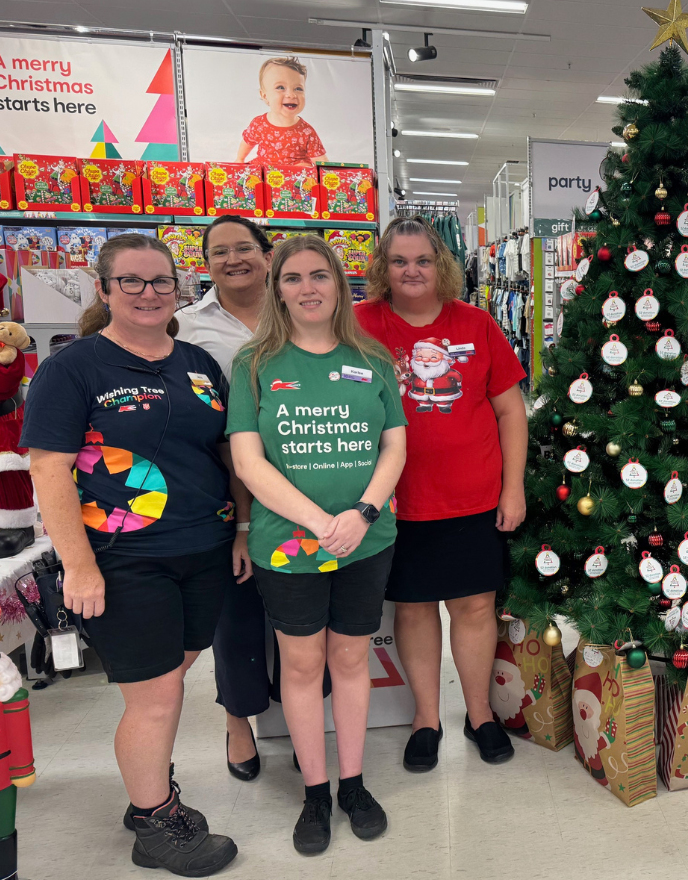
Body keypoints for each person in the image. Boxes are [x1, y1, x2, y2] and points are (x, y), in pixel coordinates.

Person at [22, 234, 239, 876]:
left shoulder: (198, 361)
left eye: (161, 282)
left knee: (170, 676)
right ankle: (154, 821)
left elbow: (224, 453)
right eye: (132, 282)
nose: (149, 294)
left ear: (179, 288)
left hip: (205, 547)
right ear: (104, 289)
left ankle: (150, 784)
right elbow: (49, 469)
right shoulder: (74, 367)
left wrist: (245, 530)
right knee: (157, 697)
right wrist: (80, 564)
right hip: (122, 556)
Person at [227, 236, 406, 853]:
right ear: (277, 288)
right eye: (294, 277)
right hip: (288, 546)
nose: (308, 287)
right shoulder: (254, 364)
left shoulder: (374, 359)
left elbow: (394, 446)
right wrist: (320, 521)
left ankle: (353, 784)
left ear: (340, 285)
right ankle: (314, 792)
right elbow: (249, 462)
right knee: (302, 668)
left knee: (351, 661)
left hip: (367, 537)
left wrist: (360, 512)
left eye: (320, 275)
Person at [355, 216, 528, 772]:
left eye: (423, 260)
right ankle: (425, 718)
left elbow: (510, 411)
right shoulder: (358, 324)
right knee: (413, 608)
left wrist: (513, 488)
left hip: (475, 497)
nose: (411, 270)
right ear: (383, 268)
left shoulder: (476, 324)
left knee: (476, 606)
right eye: (400, 261)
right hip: (393, 500)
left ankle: (479, 714)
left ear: (442, 266)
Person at [177, 216, 273, 781]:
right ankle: (238, 721)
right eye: (219, 252)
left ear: (266, 253)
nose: (233, 259)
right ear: (205, 262)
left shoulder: (303, 308)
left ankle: (301, 708)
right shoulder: (185, 327)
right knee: (235, 614)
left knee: (301, 610)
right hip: (224, 484)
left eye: (243, 248)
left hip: (304, 480)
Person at [236, 56, 328, 166]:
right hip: (265, 169)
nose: (291, 95)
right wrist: (240, 159)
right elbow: (247, 142)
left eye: (298, 89)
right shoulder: (259, 124)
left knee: (305, 167)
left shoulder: (306, 131)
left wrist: (326, 173)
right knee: (249, 172)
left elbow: (321, 160)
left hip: (293, 174)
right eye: (280, 87)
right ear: (264, 96)